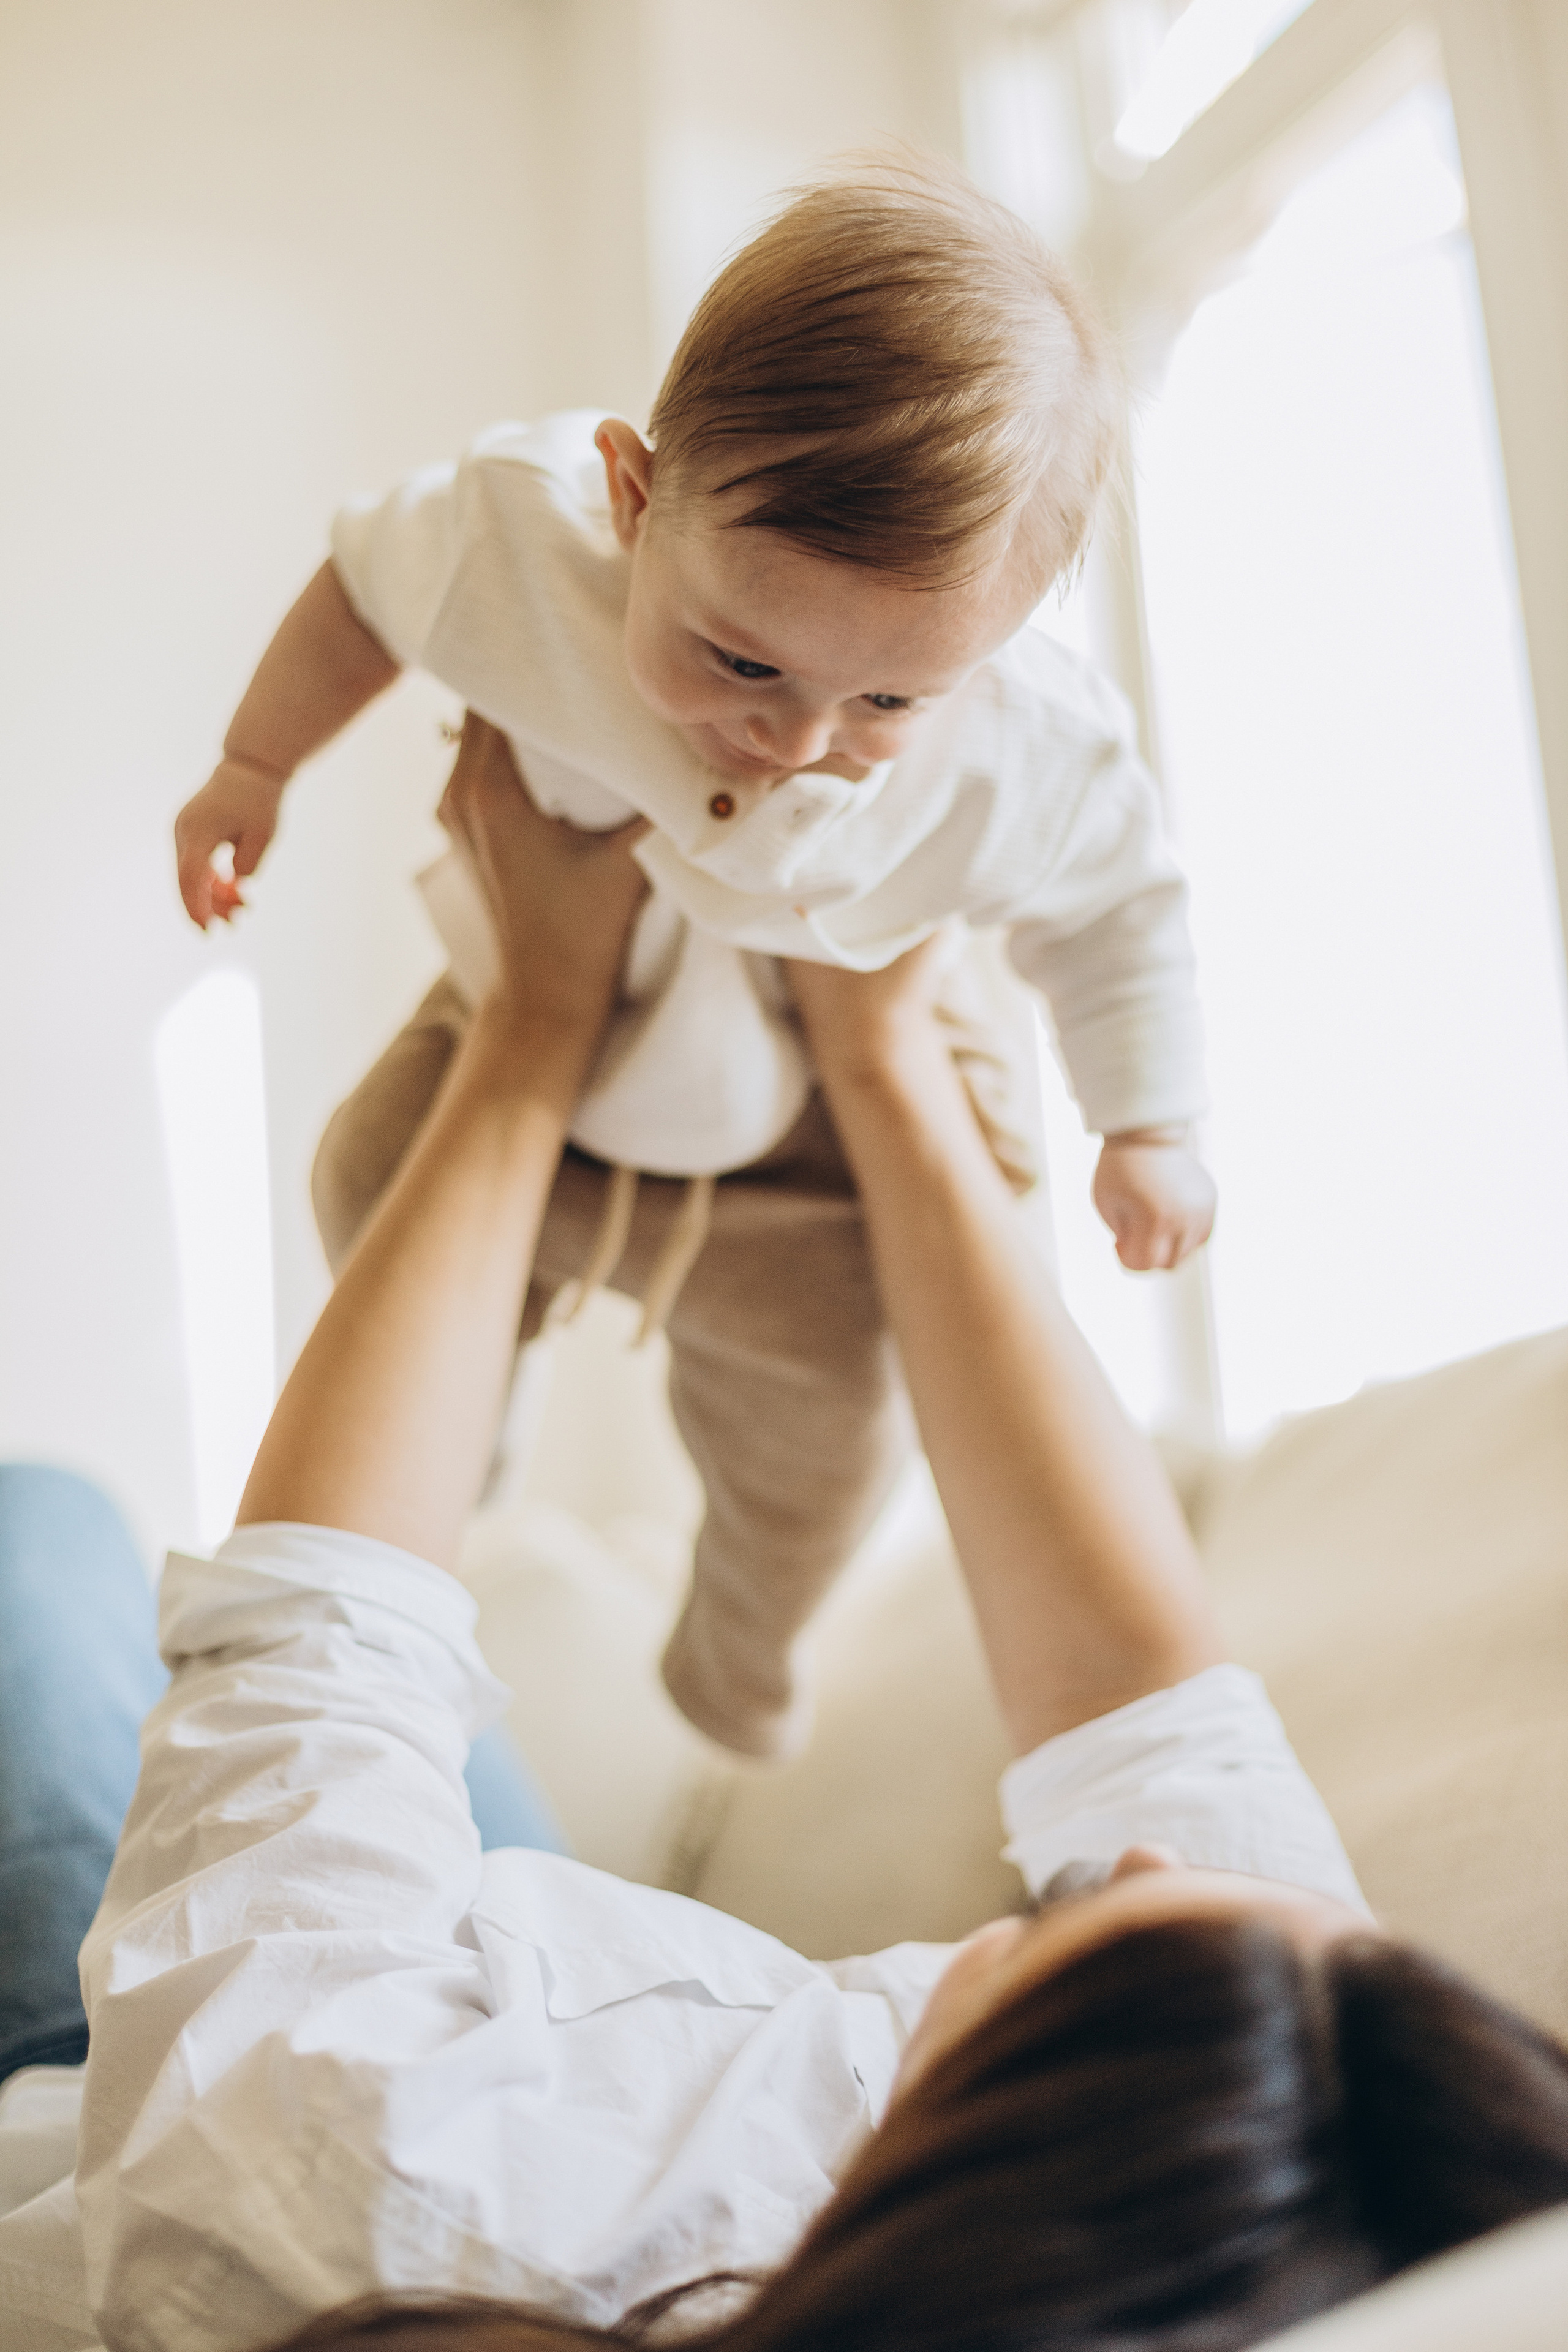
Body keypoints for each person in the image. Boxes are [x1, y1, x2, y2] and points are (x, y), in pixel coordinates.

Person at [4, 734, 1567, 2352]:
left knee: (42, 1533)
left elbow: (314, 1650)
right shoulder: (1325, 2182)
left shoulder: (389, 2205)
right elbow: (1151, 1714)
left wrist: (539, 1019)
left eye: (1101, 1945)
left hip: (142, 2075)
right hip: (484, 1978)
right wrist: (879, 1049)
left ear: (997, 2176)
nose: (1159, 1867)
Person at [168, 158, 1217, 1763]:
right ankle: (462, 1468)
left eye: (890, 704)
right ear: (634, 495)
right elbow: (363, 589)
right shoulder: (525, 537)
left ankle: (742, 1652)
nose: (800, 739)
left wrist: (1148, 1121)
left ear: (993, 655)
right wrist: (255, 767)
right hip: (536, 1020)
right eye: (743, 657)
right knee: (362, 1181)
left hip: (822, 1129)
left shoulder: (1033, 752)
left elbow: (1122, 909)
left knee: (830, 1425)